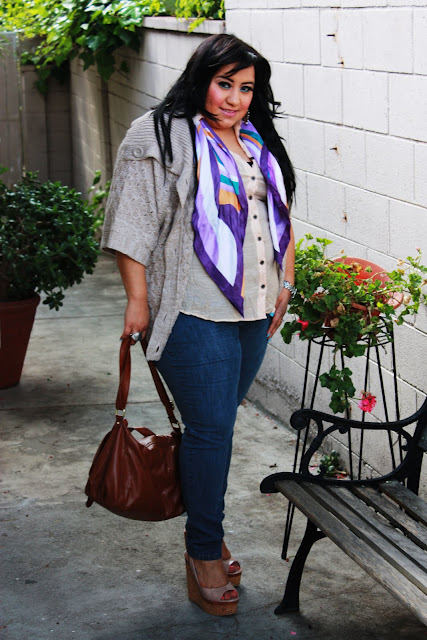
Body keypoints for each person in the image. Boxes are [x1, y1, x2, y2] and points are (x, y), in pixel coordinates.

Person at [101, 33, 296, 616]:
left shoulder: (256, 138)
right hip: (192, 310)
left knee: (214, 430)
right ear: (200, 78)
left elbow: (279, 213)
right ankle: (203, 551)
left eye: (246, 88)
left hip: (253, 311)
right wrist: (138, 300)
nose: (235, 99)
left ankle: (206, 527)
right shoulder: (161, 134)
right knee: (211, 431)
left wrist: (285, 285)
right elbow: (132, 222)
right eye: (224, 84)